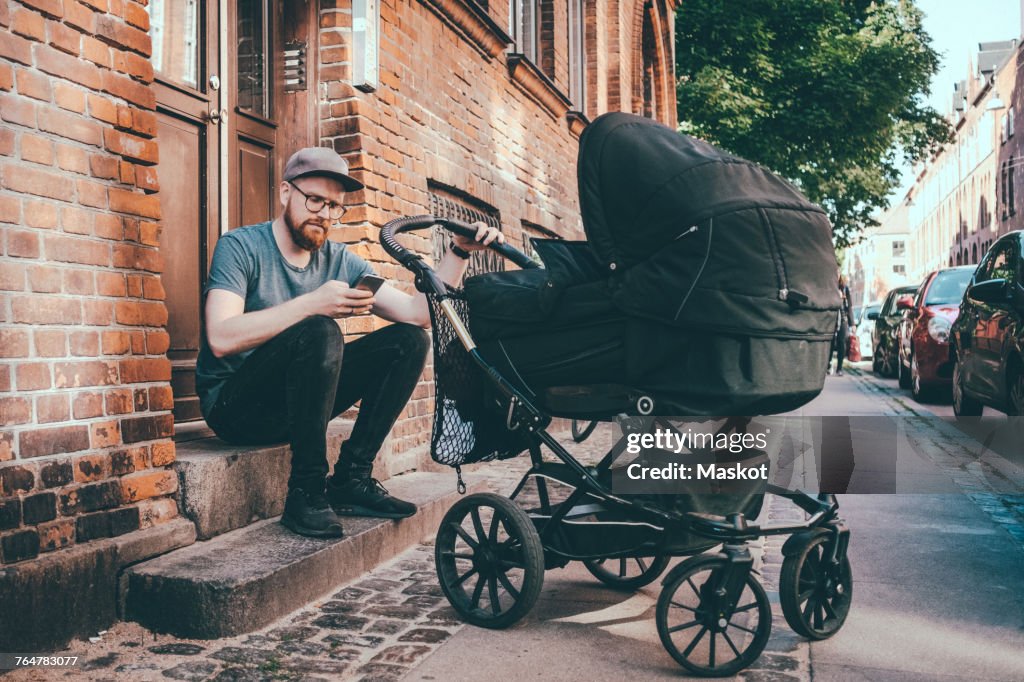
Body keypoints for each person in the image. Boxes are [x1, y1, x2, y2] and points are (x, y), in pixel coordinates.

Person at [195, 147, 503, 538]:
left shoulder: (340, 258)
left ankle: (350, 480)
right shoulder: (240, 247)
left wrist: (459, 251)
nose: (324, 214)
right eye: (315, 200)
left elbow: (417, 314)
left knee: (408, 341)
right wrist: (313, 304)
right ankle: (306, 491)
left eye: (334, 206)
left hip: (296, 407)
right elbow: (221, 337)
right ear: (286, 193)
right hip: (235, 409)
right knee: (320, 328)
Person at [828, 275, 856, 376]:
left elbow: (849, 307)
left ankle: (839, 368)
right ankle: (828, 365)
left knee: (841, 343)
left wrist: (852, 323)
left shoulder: (845, 289)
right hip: (831, 318)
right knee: (830, 342)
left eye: (838, 272)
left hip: (843, 318)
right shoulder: (829, 287)